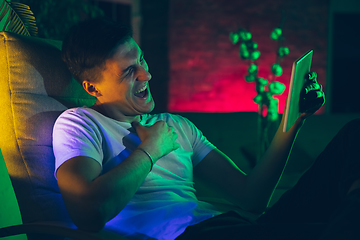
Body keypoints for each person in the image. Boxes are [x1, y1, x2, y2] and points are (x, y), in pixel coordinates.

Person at [53, 17, 358, 240]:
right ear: (92, 87)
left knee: (354, 136)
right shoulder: (79, 123)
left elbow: (251, 197)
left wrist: (295, 119)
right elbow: (87, 213)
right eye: (129, 71)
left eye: (142, 59)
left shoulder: (178, 126)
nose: (146, 74)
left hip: (233, 226)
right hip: (188, 237)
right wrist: (151, 149)